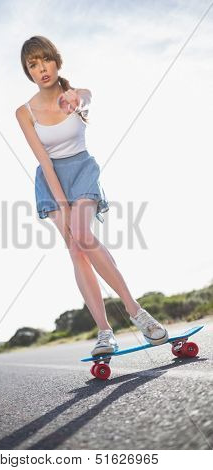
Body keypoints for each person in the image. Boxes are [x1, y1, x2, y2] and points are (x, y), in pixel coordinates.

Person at [15, 35, 169, 356]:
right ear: (27, 71)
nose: (41, 69)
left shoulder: (75, 94)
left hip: (83, 170)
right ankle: (104, 332)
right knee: (75, 250)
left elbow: (85, 97)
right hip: (51, 180)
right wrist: (63, 206)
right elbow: (44, 160)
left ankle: (136, 312)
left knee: (84, 236)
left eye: (45, 60)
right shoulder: (24, 112)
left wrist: (77, 100)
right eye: (33, 64)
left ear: (57, 61)